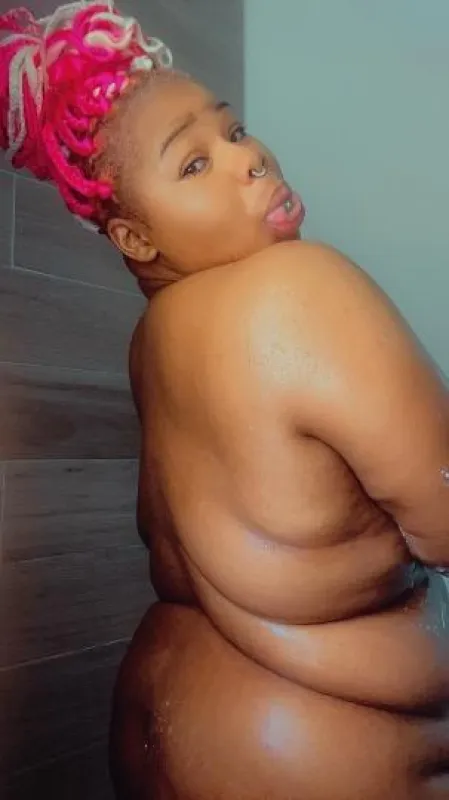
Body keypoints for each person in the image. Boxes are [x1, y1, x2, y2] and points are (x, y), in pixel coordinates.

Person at [2, 3, 448, 798]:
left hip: (157, 717)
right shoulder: (300, 287)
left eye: (233, 130)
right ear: (134, 239)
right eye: (194, 164)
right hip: (305, 749)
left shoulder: (152, 346)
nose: (250, 158)